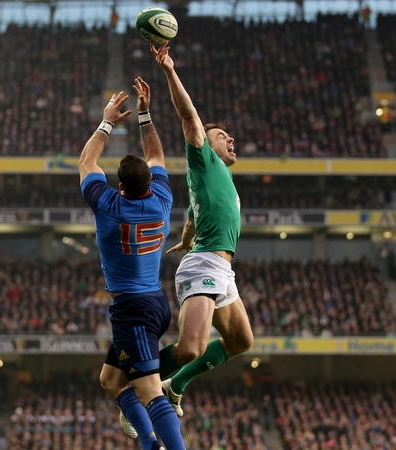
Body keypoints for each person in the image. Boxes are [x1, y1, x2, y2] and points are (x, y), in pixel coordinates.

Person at [150, 42, 254, 415]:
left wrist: (185, 237)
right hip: (206, 264)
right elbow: (188, 115)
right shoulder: (203, 159)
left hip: (221, 267)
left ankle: (174, 385)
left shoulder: (217, 177)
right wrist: (169, 70)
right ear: (206, 144)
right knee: (190, 349)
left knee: (240, 340)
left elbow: (197, 213)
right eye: (221, 135)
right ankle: (132, 383)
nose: (230, 139)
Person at [81, 79, 184, 450]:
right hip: (152, 301)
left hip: (134, 310)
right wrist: (145, 115)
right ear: (150, 183)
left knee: (151, 392)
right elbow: (156, 155)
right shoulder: (162, 200)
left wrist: (107, 122)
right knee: (110, 380)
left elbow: (87, 161)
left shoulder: (108, 206)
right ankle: (150, 444)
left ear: (120, 187)